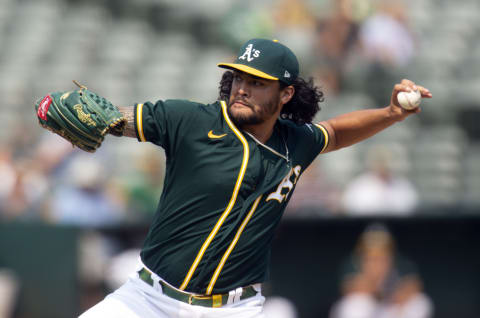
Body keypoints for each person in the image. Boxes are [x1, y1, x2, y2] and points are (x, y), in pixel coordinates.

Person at [78, 38, 432, 318]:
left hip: (234, 309)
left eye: (257, 82)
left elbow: (335, 133)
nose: (241, 89)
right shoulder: (192, 120)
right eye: (238, 78)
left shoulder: (296, 142)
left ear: (286, 93)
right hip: (148, 300)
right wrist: (92, 116)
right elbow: (117, 119)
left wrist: (391, 113)